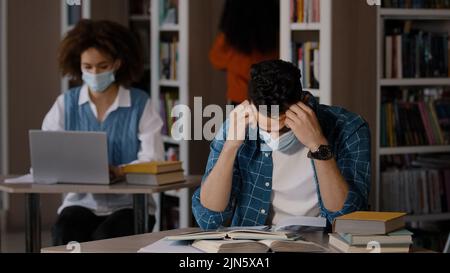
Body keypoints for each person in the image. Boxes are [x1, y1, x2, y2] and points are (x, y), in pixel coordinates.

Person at [192, 60, 371, 230]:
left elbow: (347, 219)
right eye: (264, 128)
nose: (273, 137)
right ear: (249, 106)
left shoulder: (350, 128)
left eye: (283, 127)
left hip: (320, 245)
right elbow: (208, 219)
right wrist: (230, 147)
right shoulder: (238, 126)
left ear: (303, 103)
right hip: (255, 249)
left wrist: (318, 144)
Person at [43, 20, 164, 245]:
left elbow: (153, 158)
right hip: (81, 203)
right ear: (78, 65)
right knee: (65, 233)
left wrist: (120, 171)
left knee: (108, 239)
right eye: (87, 67)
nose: (94, 72)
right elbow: (48, 153)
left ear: (117, 64)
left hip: (130, 205)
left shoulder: (140, 104)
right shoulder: (65, 104)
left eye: (102, 66)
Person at [209, 0, 279, 105]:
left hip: (239, 99)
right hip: (268, 97)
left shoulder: (231, 41)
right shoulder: (274, 36)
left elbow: (215, 59)